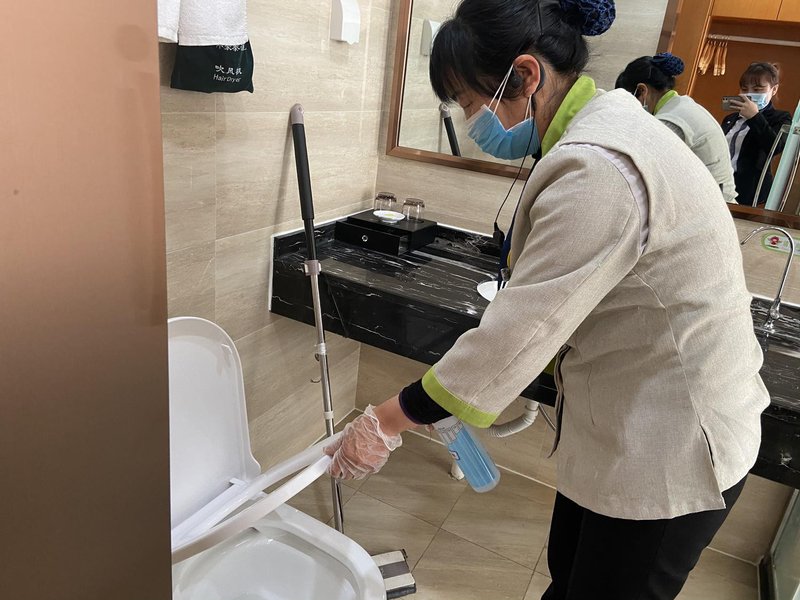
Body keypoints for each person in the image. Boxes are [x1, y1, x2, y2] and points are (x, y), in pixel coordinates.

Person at [326, 0, 770, 598]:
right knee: (570, 578)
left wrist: (387, 419)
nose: (471, 121)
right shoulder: (604, 129)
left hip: (674, 446)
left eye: (469, 102)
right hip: (631, 420)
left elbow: (519, 334)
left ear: (526, 75)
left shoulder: (601, 167)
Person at [616, 53, 737, 203]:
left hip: (710, 205)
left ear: (642, 91)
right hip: (717, 201)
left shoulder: (669, 122)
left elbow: (637, 171)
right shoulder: (682, 106)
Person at [722, 62, 793, 206]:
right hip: (722, 183)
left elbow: (775, 147)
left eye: (757, 89)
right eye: (744, 89)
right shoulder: (731, 118)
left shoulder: (780, 118)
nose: (749, 94)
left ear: (774, 89)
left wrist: (754, 117)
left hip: (750, 190)